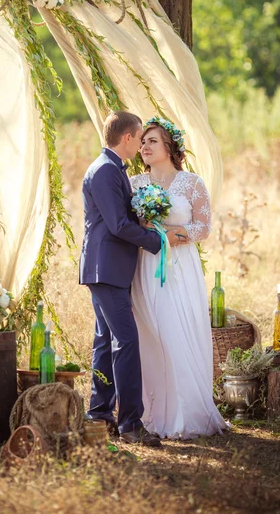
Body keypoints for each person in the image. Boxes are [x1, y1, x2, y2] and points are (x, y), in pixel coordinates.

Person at [80, 111, 182, 447]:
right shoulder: (106, 171)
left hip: (109, 269)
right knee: (126, 341)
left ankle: (99, 415)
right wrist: (157, 241)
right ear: (127, 138)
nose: (141, 146)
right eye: (140, 139)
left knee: (106, 341)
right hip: (105, 269)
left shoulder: (111, 169)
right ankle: (130, 424)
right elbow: (118, 226)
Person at [130, 117, 230, 439]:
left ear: (170, 147)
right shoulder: (134, 184)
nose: (144, 147)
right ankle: (151, 412)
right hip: (145, 266)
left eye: (151, 141)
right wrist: (149, 233)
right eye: (142, 142)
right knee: (151, 334)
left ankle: (187, 413)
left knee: (177, 331)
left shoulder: (191, 183)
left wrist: (173, 233)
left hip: (180, 267)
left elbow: (204, 226)